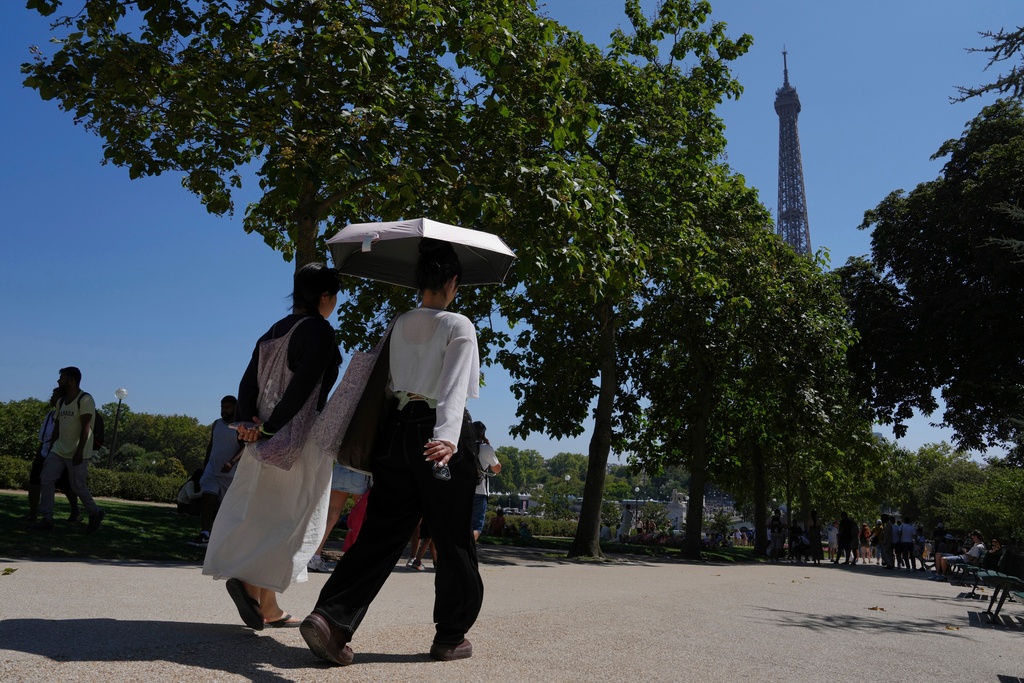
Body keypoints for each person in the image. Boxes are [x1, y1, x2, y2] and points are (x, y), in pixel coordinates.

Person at [301, 239, 482, 665]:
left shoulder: (399, 322)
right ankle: (450, 636)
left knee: (380, 534)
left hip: (396, 432)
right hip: (438, 434)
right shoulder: (460, 326)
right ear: (454, 282)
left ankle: (331, 618)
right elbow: (454, 389)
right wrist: (449, 440)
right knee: (453, 537)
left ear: (420, 281)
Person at [202, 263, 341, 629]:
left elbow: (247, 382)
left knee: (263, 511)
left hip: (261, 439)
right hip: (296, 439)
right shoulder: (321, 332)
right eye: (335, 296)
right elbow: (305, 387)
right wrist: (273, 428)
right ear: (325, 296)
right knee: (292, 516)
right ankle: (249, 584)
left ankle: (269, 605)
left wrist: (250, 424)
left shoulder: (272, 331)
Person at [28, 367, 105, 533]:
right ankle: (47, 519)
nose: (58, 381)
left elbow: (86, 427)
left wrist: (79, 450)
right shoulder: (61, 401)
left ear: (72, 380)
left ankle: (95, 512)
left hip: (78, 451)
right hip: (59, 449)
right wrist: (51, 447)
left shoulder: (85, 399)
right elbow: (57, 425)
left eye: (61, 378)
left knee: (77, 487)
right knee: (46, 479)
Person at [187, 396, 243, 547]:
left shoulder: (240, 426)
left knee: (226, 507)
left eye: (228, 407)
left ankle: (224, 538)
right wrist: (206, 465)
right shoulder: (217, 424)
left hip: (230, 471)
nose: (224, 410)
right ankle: (205, 533)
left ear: (235, 408)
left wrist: (231, 462)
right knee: (207, 498)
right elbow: (211, 445)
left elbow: (245, 448)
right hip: (213, 469)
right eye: (222, 407)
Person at [24, 388, 79, 523]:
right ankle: (33, 513)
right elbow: (45, 435)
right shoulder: (50, 414)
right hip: (44, 449)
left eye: (55, 395)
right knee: (34, 481)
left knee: (65, 485)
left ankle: (75, 510)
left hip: (59, 452)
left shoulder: (67, 416)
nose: (51, 397)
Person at [307, 463, 372, 573]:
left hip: (341, 468)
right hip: (361, 471)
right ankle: (357, 558)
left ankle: (314, 556)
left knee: (331, 515)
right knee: (361, 517)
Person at [471, 421, 502, 541]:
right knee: (477, 526)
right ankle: (467, 548)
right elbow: (497, 469)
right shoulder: (486, 448)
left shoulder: (462, 446)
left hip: (463, 490)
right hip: (480, 491)